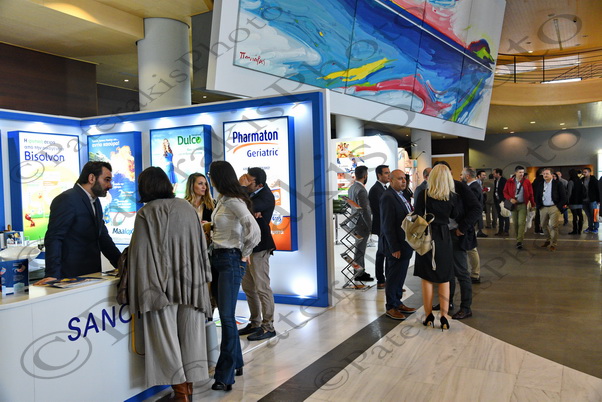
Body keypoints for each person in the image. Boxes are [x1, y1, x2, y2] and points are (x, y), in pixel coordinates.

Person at [128, 167, 212, 402]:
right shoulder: (187, 207)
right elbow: (200, 245)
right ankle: (189, 389)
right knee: (192, 336)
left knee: (165, 340)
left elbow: (140, 254)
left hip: (160, 287)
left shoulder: (146, 213)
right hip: (192, 284)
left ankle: (181, 393)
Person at [208, 161, 260, 392]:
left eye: (210, 174)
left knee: (227, 318)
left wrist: (244, 252)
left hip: (230, 260)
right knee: (224, 314)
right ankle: (236, 363)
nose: (209, 178)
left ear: (218, 177)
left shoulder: (234, 202)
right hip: (217, 259)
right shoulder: (222, 200)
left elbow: (254, 230)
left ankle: (224, 376)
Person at [37, 161, 121, 283]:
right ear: (91, 178)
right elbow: (54, 238)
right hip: (69, 278)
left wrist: (122, 265)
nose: (110, 185)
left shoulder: (95, 202)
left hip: (91, 275)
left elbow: (103, 237)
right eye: (106, 180)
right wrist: (52, 275)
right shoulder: (67, 199)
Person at [432, 161, 481, 320]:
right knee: (446, 272)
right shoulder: (433, 189)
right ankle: (447, 302)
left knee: (461, 272)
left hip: (457, 235)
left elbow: (476, 208)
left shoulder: (459, 187)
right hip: (441, 235)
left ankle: (466, 307)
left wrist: (463, 227)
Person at [414, 164, 458, 330]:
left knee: (427, 277)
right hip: (444, 237)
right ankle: (444, 317)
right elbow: (455, 214)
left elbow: (417, 215)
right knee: (444, 277)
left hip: (426, 236)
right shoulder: (452, 196)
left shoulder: (424, 195)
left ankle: (428, 316)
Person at [237, 167, 277, 341]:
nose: (245, 181)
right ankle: (255, 323)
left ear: (259, 184)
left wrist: (241, 189)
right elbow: (242, 209)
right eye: (244, 177)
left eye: (249, 180)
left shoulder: (266, 196)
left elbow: (242, 208)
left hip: (260, 246)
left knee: (262, 287)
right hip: (245, 246)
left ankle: (268, 327)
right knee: (248, 287)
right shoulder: (251, 194)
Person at [379, 169, 417, 320]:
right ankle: (391, 306)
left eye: (404, 178)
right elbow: (387, 225)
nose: (403, 181)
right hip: (396, 245)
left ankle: (398, 302)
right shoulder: (388, 197)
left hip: (405, 242)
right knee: (393, 276)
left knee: (400, 275)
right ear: (391, 180)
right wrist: (394, 247)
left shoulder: (402, 195)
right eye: (400, 179)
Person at [347, 165, 374, 282]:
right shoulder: (361, 190)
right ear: (365, 176)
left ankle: (359, 271)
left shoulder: (351, 188)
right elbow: (365, 210)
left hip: (354, 222)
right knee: (360, 250)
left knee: (358, 249)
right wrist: (370, 225)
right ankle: (359, 273)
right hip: (361, 224)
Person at [533, 168, 567, 251]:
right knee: (543, 225)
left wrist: (558, 207)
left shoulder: (557, 184)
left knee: (553, 226)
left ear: (552, 175)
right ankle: (548, 240)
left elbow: (564, 197)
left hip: (554, 207)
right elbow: (537, 196)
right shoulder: (540, 184)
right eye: (544, 174)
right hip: (543, 207)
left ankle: (553, 244)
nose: (545, 175)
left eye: (547, 174)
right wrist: (539, 205)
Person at [368, 165, 391, 289]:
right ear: (379, 175)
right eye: (386, 173)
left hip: (385, 226)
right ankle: (381, 279)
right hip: (382, 226)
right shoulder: (375, 190)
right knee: (382, 253)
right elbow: (379, 210)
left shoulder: (384, 188)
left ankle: (386, 279)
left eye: (389, 172)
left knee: (384, 252)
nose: (389, 175)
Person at [503, 165, 535, 249]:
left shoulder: (527, 182)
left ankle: (519, 241)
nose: (521, 174)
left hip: (523, 205)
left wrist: (533, 204)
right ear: (515, 173)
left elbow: (531, 194)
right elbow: (505, 192)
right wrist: (510, 199)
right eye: (520, 172)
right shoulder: (509, 181)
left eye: (523, 172)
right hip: (513, 206)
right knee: (515, 223)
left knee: (521, 223)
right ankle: (518, 238)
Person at [461, 167, 482, 284]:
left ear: (467, 176)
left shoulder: (473, 188)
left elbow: (473, 207)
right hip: (469, 222)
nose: (461, 176)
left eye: (462, 174)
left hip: (469, 222)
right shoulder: (472, 187)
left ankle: (475, 274)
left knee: (471, 248)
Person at [581, 167, 600, 233]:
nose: (584, 173)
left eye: (585, 172)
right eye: (583, 172)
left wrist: (598, 200)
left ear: (589, 172)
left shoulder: (594, 180)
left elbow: (598, 190)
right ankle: (590, 227)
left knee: (594, 214)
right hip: (584, 200)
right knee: (588, 215)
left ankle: (596, 228)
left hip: (592, 200)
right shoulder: (582, 180)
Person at [567, 169, 585, 235]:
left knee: (574, 216)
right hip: (580, 200)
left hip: (573, 201)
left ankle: (575, 230)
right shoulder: (580, 181)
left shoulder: (571, 181)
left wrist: (567, 201)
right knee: (580, 215)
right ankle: (580, 230)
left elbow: (569, 193)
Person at [493, 168, 509, 236]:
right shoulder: (496, 181)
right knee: (500, 215)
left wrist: (504, 200)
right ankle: (500, 230)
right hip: (497, 200)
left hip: (504, 200)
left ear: (498, 174)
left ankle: (506, 230)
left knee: (505, 215)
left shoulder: (504, 181)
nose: (493, 175)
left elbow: (506, 191)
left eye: (494, 173)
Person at [475, 170, 488, 238]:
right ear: (478, 176)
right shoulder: (477, 183)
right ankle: (478, 231)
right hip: (477, 203)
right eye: (483, 175)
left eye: (485, 175)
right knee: (478, 217)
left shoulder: (480, 182)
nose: (484, 176)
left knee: (480, 217)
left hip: (480, 202)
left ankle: (479, 231)